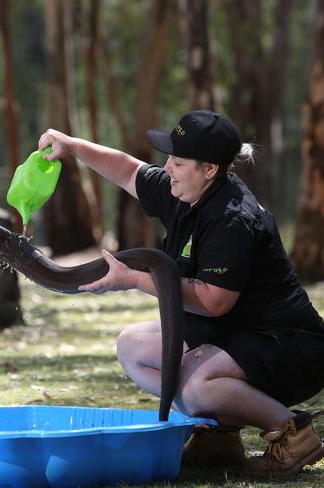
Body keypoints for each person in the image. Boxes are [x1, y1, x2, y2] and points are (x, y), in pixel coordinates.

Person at [38, 109, 324, 478]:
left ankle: (293, 431)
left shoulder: (232, 218)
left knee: (191, 384)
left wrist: (135, 279)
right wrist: (72, 146)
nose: (167, 167)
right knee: (133, 347)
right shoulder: (186, 190)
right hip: (234, 336)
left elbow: (213, 301)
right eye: (169, 158)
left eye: (178, 161)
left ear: (209, 169)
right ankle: (220, 436)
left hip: (288, 349)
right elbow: (128, 170)